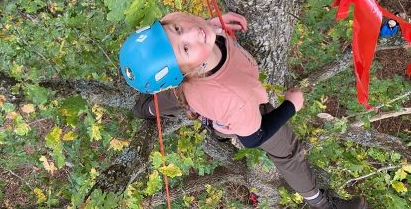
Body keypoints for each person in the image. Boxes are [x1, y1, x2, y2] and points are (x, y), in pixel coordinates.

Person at [120, 12, 368, 209]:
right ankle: (322, 205)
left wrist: (208, 26)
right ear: (187, 71)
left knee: (172, 99)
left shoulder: (186, 37)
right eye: (185, 48)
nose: (191, 32)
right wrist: (291, 106)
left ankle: (148, 107)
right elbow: (253, 138)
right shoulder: (233, 98)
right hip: (229, 108)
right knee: (287, 152)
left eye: (177, 29)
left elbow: (188, 34)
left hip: (204, 95)